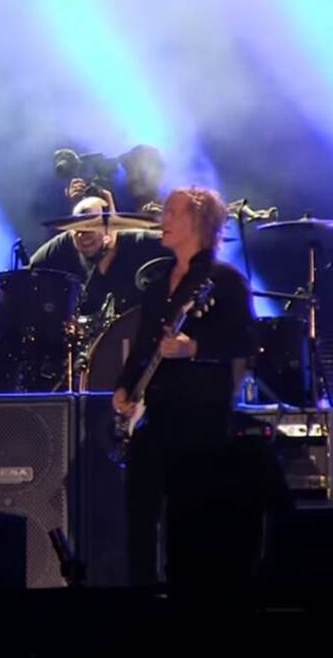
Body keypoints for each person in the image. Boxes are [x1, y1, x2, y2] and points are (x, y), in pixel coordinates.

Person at [112, 186, 259, 597]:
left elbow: (246, 340)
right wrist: (124, 387)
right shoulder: (158, 283)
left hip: (199, 417)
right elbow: (144, 345)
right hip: (156, 416)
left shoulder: (224, 281)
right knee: (139, 513)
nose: (163, 219)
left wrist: (194, 347)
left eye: (172, 212)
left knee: (187, 519)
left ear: (198, 221)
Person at [29, 193, 170, 316]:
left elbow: (180, 245)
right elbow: (27, 273)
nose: (83, 236)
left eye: (90, 228)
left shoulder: (141, 241)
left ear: (110, 227)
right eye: (77, 230)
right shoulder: (63, 244)